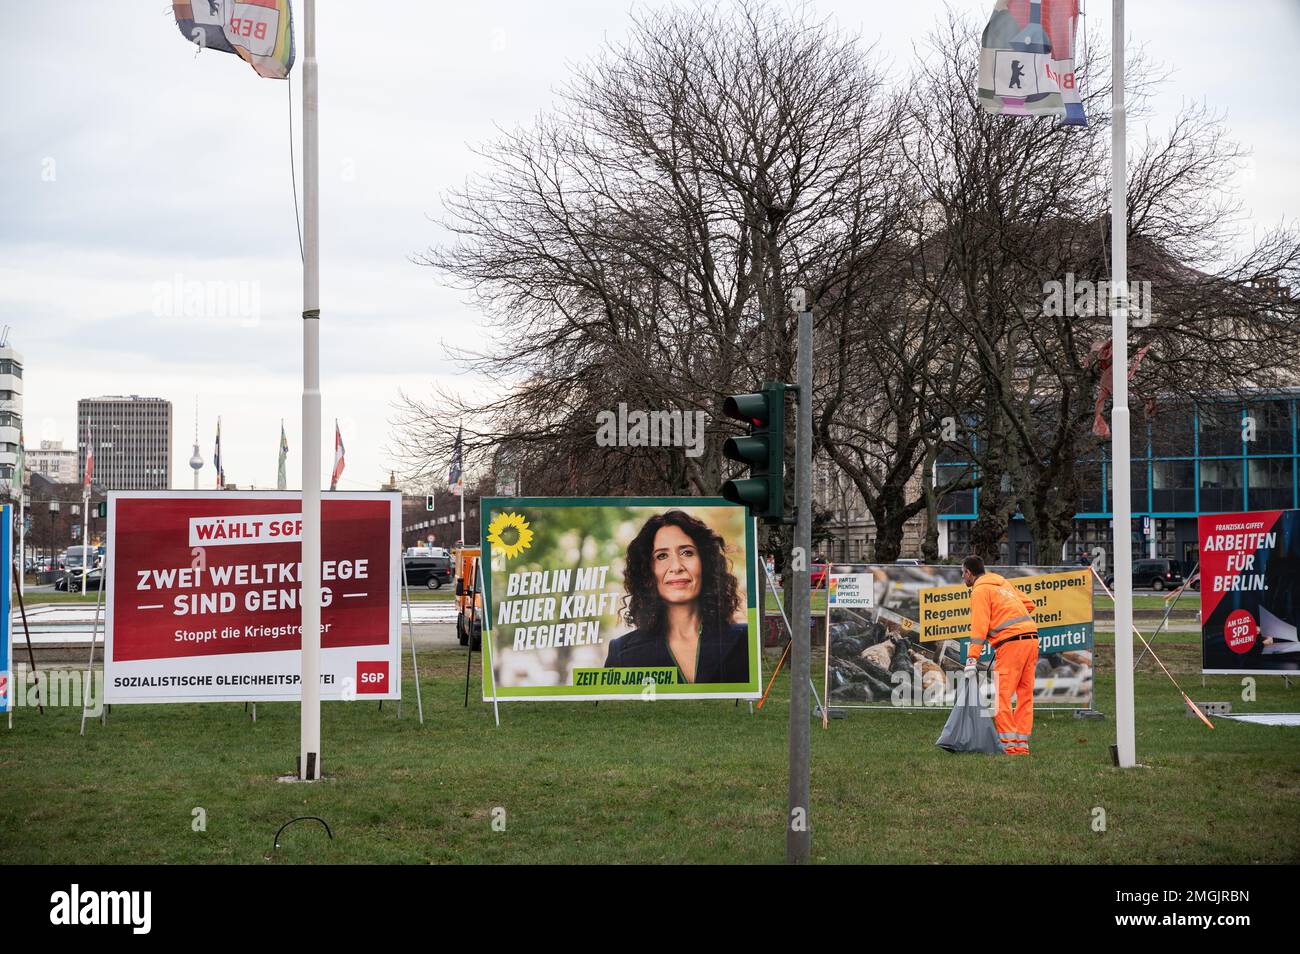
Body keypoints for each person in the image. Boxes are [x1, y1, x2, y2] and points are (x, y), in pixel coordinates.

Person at [604, 510, 749, 684]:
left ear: (705, 563)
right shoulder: (621, 652)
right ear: (648, 571)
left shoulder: (744, 639)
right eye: (662, 556)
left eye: (687, 553)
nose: (676, 566)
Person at [961, 555, 1039, 755]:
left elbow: (979, 625)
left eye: (963, 574)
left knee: (1003, 696)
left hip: (1011, 644)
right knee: (1025, 694)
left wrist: (972, 658)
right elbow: (1029, 605)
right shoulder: (1001, 582)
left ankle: (1009, 745)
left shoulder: (979, 590)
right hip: (1031, 639)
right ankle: (1022, 745)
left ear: (969, 573)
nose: (963, 578)